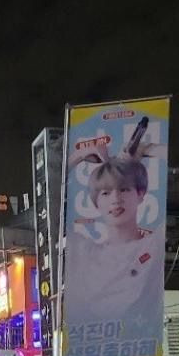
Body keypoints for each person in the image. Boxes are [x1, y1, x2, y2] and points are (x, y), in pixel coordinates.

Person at [64, 124, 163, 335]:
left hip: (142, 347)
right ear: (95, 202)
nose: (116, 199)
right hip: (88, 348)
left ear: (140, 194)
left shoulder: (154, 245)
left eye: (124, 189)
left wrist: (145, 149)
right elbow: (46, 197)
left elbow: (171, 154)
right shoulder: (83, 251)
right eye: (106, 193)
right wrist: (80, 155)